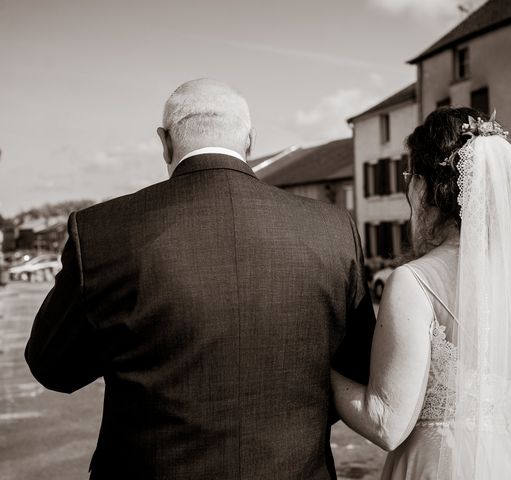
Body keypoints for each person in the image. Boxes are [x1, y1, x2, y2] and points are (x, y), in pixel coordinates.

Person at [25, 78, 376, 479]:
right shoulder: (331, 228)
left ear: (165, 142)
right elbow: (358, 366)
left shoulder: (102, 230)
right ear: (250, 141)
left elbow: (53, 368)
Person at [331, 107, 511, 479]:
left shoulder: (414, 282)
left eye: (410, 175)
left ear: (426, 186)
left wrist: (322, 367)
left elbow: (386, 424)